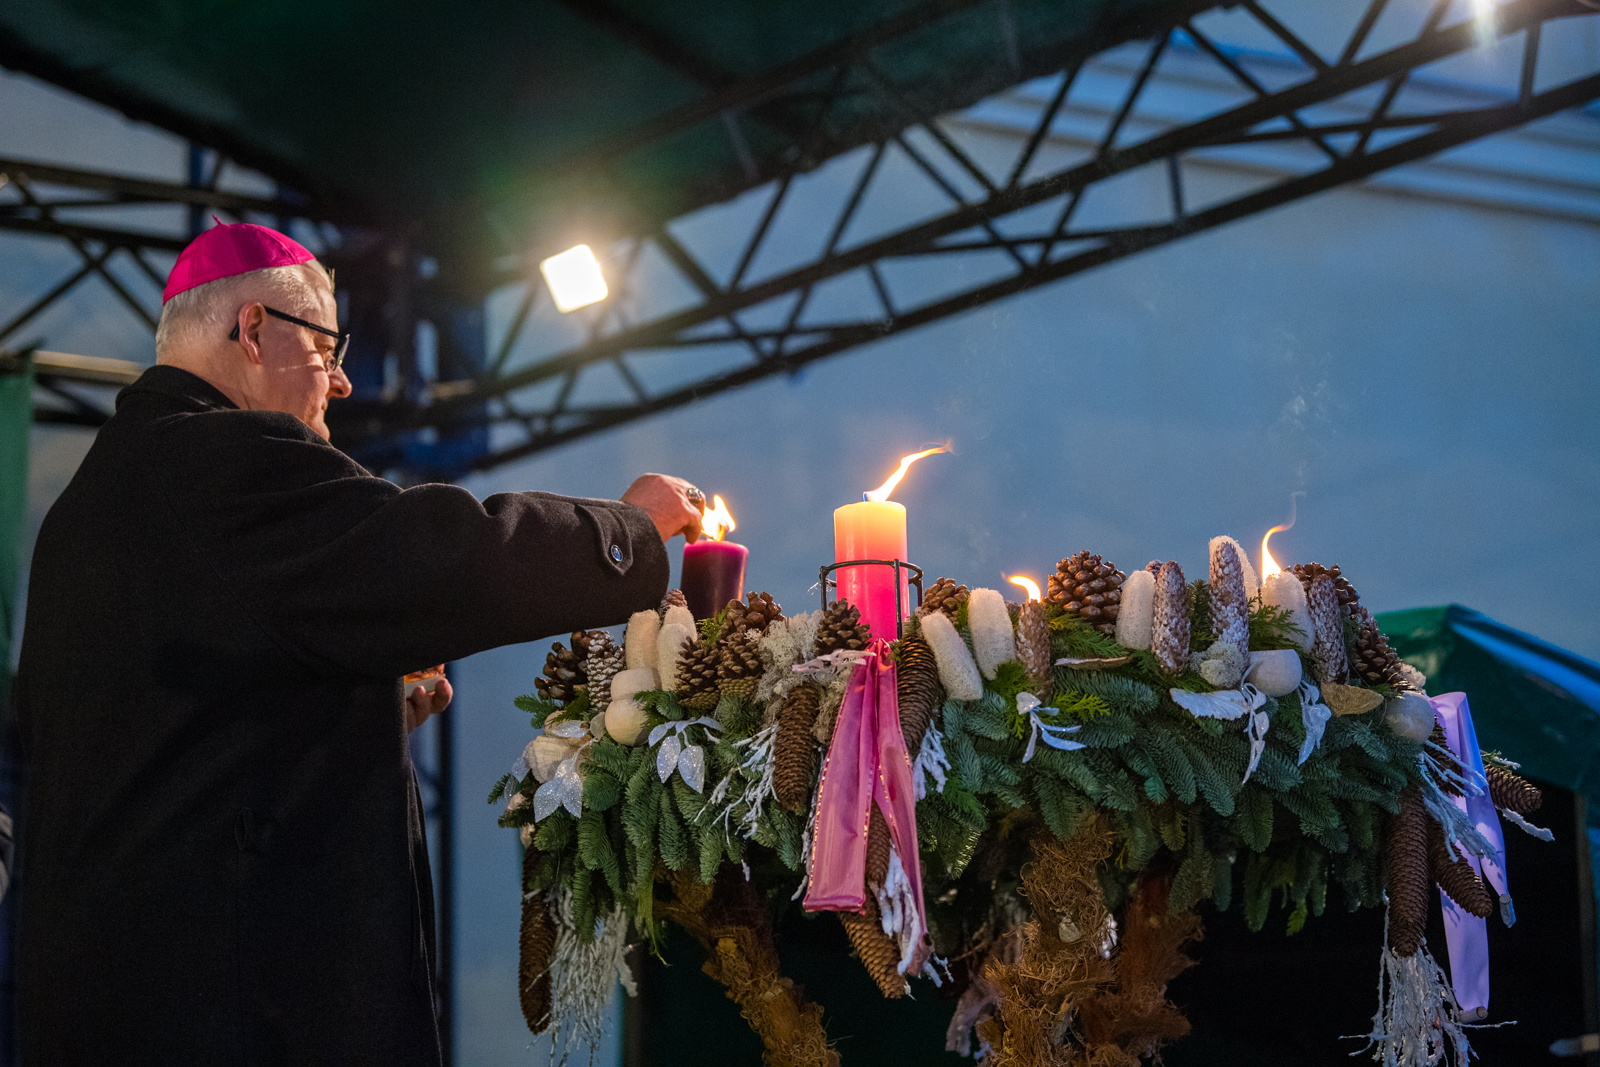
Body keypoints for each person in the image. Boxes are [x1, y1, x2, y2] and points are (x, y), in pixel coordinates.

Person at [14, 223, 702, 1064]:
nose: (340, 381)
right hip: (236, 1021)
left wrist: (342, 724)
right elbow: (439, 560)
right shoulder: (217, 461)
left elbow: (173, 754)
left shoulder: (88, 510)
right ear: (254, 328)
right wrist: (624, 534)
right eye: (327, 346)